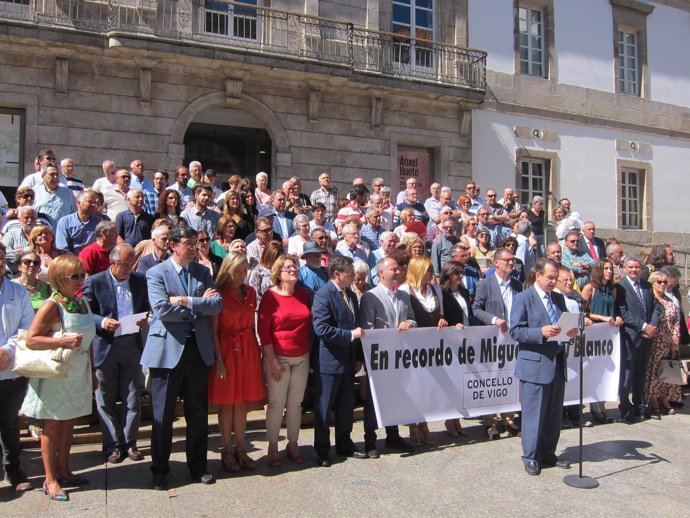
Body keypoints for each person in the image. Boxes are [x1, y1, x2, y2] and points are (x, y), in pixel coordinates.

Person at [140, 226, 223, 490]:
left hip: (197, 351)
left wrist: (185, 301)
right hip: (167, 352)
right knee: (163, 416)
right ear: (174, 245)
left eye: (196, 242)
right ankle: (160, 470)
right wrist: (198, 304)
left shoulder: (202, 271)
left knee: (198, 413)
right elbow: (162, 309)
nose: (195, 246)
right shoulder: (156, 273)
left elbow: (217, 305)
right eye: (189, 242)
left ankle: (198, 467)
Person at [21, 255, 96, 500]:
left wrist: (93, 371)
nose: (80, 280)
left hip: (77, 373)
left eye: (82, 274)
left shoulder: (82, 302)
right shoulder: (52, 305)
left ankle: (65, 470)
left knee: (69, 422)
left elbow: (89, 341)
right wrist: (61, 340)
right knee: (52, 425)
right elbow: (31, 338)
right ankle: (50, 479)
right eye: (74, 276)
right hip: (56, 374)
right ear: (58, 279)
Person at [510, 258, 579, 476]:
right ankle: (530, 456)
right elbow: (516, 331)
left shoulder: (558, 298)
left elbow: (561, 326)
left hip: (557, 364)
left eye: (555, 278)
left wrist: (570, 332)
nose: (553, 282)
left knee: (553, 413)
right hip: (535, 365)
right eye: (549, 277)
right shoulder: (523, 298)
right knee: (534, 414)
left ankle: (548, 453)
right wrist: (540, 332)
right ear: (537, 275)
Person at [82, 244, 150, 464]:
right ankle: (112, 445)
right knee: (105, 399)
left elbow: (149, 308)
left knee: (133, 397)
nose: (128, 269)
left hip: (131, 344)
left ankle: (130, 443)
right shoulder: (95, 281)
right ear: (112, 262)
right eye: (124, 264)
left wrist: (145, 319)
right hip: (105, 345)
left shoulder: (140, 281)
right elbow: (86, 314)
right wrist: (102, 321)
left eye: (131, 264)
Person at [210, 252, 265, 471]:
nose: (242, 275)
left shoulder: (250, 292)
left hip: (247, 348)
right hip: (226, 349)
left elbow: (252, 324)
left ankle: (241, 448)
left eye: (244, 271)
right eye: (237, 271)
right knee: (226, 402)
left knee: (242, 402)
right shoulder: (218, 295)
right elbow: (213, 331)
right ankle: (227, 450)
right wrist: (219, 360)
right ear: (227, 271)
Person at [312, 256, 368, 466]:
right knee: (325, 409)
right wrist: (350, 335)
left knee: (346, 407)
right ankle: (322, 451)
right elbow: (322, 328)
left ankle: (344, 443)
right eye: (350, 272)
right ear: (338, 274)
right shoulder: (323, 295)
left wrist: (357, 357)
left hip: (348, 361)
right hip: (329, 361)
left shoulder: (350, 294)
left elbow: (356, 323)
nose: (354, 276)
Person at [257, 255, 312, 467]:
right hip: (278, 358)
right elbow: (264, 331)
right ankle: (272, 446)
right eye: (288, 267)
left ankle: (293, 443)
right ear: (278, 273)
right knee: (276, 404)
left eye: (295, 266)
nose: (293, 269)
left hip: (302, 357)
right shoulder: (270, 297)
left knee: (296, 404)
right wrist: (272, 361)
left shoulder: (303, 294)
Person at [359, 257, 416, 457]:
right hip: (378, 356)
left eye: (399, 269)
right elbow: (368, 328)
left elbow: (413, 319)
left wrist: (409, 323)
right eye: (393, 269)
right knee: (373, 400)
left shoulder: (404, 295)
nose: (398, 272)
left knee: (395, 396)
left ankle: (393, 436)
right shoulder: (370, 296)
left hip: (399, 356)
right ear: (381, 273)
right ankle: (370, 440)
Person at [472, 248, 523, 439]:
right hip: (493, 341)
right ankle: (490, 422)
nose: (511, 263)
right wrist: (494, 320)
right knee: (491, 379)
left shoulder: (517, 285)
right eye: (507, 260)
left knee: (510, 378)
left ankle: (508, 418)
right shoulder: (485, 284)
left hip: (513, 341)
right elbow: (476, 309)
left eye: (513, 260)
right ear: (496, 263)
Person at [399, 256, 447, 446]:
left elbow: (440, 313)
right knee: (414, 386)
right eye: (428, 269)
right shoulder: (405, 290)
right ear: (419, 271)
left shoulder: (435, 289)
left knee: (429, 386)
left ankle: (424, 423)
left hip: (432, 345)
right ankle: (413, 424)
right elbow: (405, 317)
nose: (432, 273)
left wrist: (442, 320)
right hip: (413, 346)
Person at [0, 243, 36, 492]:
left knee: (9, 421)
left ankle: (13, 468)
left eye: (1, 258)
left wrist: (6, 350)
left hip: (11, 368)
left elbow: (26, 327)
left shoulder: (17, 291)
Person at [615, 255, 660, 423]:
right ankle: (625, 408)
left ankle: (640, 405)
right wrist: (642, 326)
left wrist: (652, 325)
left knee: (641, 373)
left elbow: (656, 307)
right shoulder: (620, 287)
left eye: (637, 267)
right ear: (625, 268)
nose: (634, 270)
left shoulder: (647, 286)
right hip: (631, 336)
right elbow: (622, 311)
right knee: (627, 373)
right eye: (631, 267)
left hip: (647, 337)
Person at [439, 260, 472, 437]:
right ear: (449, 274)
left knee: (461, 383)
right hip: (451, 343)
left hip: (466, 341)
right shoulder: (443, 293)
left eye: (462, 273)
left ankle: (457, 419)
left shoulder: (464, 291)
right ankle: (449, 420)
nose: (460, 276)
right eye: (457, 273)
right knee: (452, 382)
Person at [645, 271, 682, 419]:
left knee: (664, 371)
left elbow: (676, 321)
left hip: (668, 342)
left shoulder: (669, 300)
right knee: (653, 371)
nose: (662, 284)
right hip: (655, 341)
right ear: (652, 283)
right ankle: (653, 399)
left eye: (665, 282)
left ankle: (664, 397)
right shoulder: (650, 299)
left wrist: (675, 339)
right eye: (659, 282)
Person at [55, 190, 103, 255]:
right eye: (90, 202)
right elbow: (62, 247)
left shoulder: (99, 223)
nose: (94, 205)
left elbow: (102, 244)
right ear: (78, 203)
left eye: (95, 202)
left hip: (92, 260)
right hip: (71, 261)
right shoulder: (65, 222)